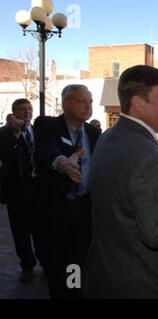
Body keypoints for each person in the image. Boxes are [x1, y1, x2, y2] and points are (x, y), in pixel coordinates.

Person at [83, 65, 158, 299]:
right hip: (147, 283)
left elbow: (128, 206)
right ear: (138, 103)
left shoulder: (110, 136)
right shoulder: (145, 153)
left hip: (114, 277)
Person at [34, 85, 101, 298]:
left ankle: (75, 292)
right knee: (56, 267)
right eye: (82, 101)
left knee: (78, 262)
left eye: (90, 101)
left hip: (84, 212)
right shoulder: (47, 125)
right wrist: (62, 161)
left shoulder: (93, 132)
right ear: (66, 104)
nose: (88, 106)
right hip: (56, 213)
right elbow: (46, 149)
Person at [0, 100, 39, 281]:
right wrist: (16, 134)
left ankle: (45, 260)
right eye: (22, 110)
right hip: (16, 190)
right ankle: (27, 265)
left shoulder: (40, 132)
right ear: (14, 113)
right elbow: (5, 157)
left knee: (41, 228)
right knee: (20, 231)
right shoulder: (4, 134)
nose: (26, 112)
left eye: (29, 109)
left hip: (38, 188)